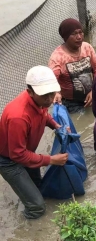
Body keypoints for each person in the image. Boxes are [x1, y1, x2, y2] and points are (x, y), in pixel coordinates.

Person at [0, 66, 68, 219]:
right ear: (29, 92)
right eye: (46, 95)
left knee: (40, 187)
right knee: (37, 208)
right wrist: (50, 160)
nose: (50, 99)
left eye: (52, 93)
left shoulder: (40, 101)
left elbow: (43, 114)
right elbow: (17, 155)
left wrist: (56, 126)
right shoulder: (18, 116)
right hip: (9, 161)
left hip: (25, 152)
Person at [49, 18, 96, 114]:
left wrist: (94, 90)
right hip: (71, 102)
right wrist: (56, 93)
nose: (79, 37)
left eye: (80, 32)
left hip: (92, 94)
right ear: (65, 37)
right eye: (74, 34)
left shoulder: (87, 48)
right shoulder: (58, 58)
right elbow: (51, 81)